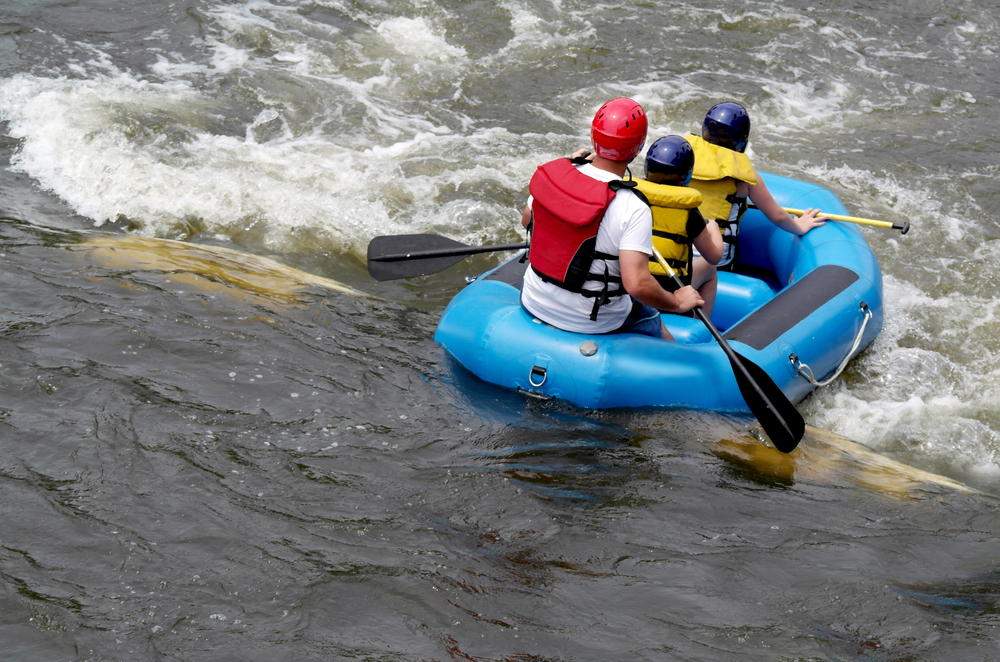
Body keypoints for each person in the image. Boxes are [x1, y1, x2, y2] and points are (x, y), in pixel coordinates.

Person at [519, 98, 703, 341]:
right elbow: (637, 285)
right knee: (653, 320)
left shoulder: (555, 176)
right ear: (638, 149)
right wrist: (677, 302)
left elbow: (526, 220)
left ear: (594, 137)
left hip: (533, 298)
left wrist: (574, 169)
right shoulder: (633, 206)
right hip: (592, 320)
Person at [685, 101, 828, 270]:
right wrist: (800, 226)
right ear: (741, 142)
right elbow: (778, 216)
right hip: (713, 259)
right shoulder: (745, 176)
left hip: (677, 249)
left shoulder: (685, 159)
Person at [630, 135, 724, 319]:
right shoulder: (689, 212)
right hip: (669, 293)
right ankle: (698, 328)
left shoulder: (629, 196)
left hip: (629, 286)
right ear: (687, 175)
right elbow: (714, 257)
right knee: (709, 269)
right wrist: (712, 227)